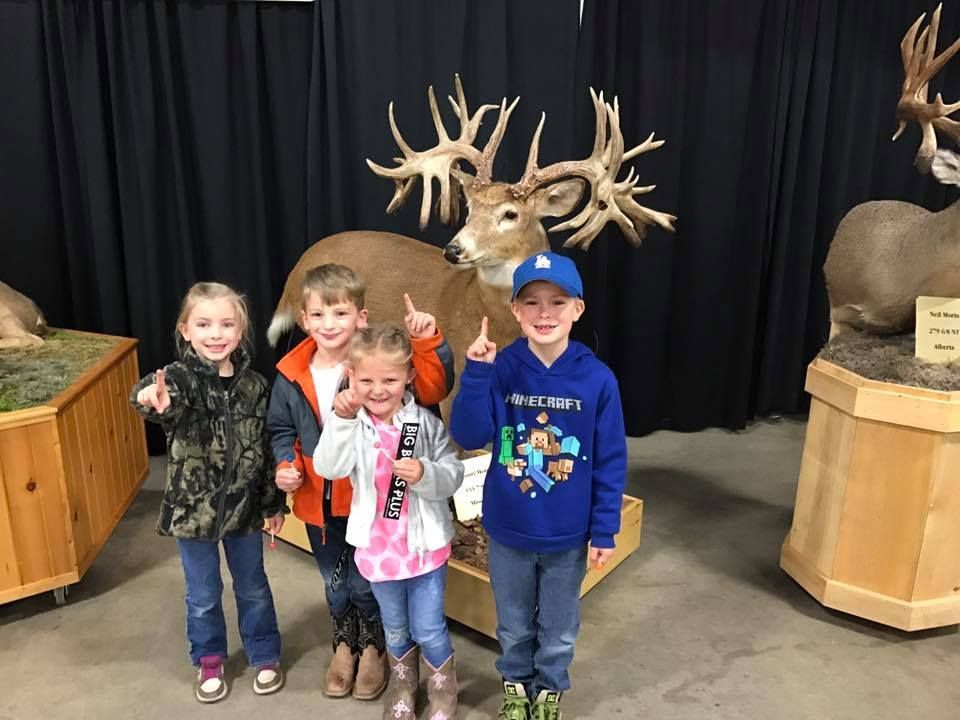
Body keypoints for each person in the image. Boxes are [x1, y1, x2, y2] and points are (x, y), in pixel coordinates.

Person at [450, 252, 627, 720]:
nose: (544, 312)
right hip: (508, 529)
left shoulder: (598, 379)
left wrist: (604, 529)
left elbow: (610, 461)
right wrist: (477, 375)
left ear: (578, 309)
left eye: (557, 301)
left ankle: (549, 688)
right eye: (531, 302)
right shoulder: (500, 368)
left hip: (568, 536)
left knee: (559, 627)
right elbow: (468, 434)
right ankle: (515, 685)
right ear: (515, 310)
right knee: (512, 624)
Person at [267, 264, 454, 700]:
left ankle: (373, 647)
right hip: (318, 500)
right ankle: (344, 643)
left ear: (361, 317)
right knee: (334, 581)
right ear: (303, 319)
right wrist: (285, 463)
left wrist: (427, 342)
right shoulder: (291, 372)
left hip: (369, 506)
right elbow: (281, 430)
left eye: (340, 313)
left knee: (367, 583)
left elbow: (431, 386)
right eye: (318, 315)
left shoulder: (377, 364)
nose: (329, 324)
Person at [131, 281, 286, 704]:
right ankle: (210, 658)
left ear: (240, 330)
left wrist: (272, 503)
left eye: (226, 324)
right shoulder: (180, 379)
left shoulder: (256, 386)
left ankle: (264, 653)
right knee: (202, 594)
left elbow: (265, 450)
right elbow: (153, 397)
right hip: (192, 514)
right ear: (186, 330)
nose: (215, 334)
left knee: (253, 587)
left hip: (245, 510)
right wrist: (151, 398)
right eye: (203, 324)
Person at [313, 324, 464, 720]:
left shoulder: (426, 425)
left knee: (428, 627)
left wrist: (426, 474)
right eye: (366, 380)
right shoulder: (350, 423)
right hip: (378, 553)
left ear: (409, 376)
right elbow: (328, 467)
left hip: (424, 551)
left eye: (390, 380)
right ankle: (402, 684)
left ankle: (443, 689)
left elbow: (453, 474)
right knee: (394, 627)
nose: (378, 390)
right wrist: (340, 421)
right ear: (351, 376)